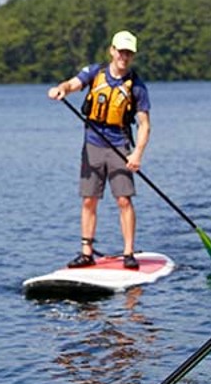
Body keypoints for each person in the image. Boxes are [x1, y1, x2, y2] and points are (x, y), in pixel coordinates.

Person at [47, 30, 151, 269]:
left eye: (129, 53)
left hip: (120, 145)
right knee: (89, 200)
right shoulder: (94, 72)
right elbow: (73, 84)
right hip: (93, 143)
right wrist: (61, 89)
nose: (124, 56)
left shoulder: (137, 86)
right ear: (112, 51)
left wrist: (137, 154)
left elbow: (145, 125)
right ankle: (86, 252)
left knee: (124, 199)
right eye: (121, 51)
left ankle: (128, 252)